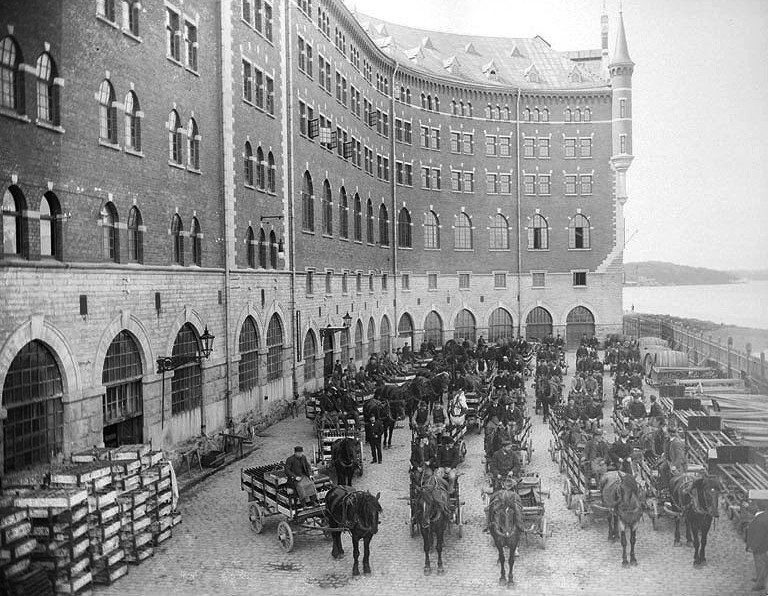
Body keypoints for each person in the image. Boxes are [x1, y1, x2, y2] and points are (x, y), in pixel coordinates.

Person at [747, 500, 768, 593]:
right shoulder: (764, 516)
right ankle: (760, 578)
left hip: (760, 547)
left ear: (758, 507)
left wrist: (752, 547)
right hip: (764, 545)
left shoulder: (760, 519)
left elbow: (759, 535)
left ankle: (760, 584)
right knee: (763, 565)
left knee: (760, 565)